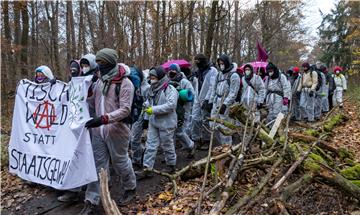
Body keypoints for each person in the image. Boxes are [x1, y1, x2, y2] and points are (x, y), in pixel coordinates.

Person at [80, 48, 136, 214]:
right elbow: (91, 102)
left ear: (110, 62)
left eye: (102, 62)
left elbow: (125, 109)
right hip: (98, 132)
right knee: (98, 165)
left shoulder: (125, 84)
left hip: (117, 130)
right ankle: (92, 199)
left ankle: (130, 187)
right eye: (97, 63)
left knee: (120, 162)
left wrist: (104, 118)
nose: (99, 66)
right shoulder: (99, 81)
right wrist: (88, 91)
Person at [136, 66, 179, 179]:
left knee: (167, 145)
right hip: (154, 121)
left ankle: (171, 165)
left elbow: (171, 105)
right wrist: (146, 108)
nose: (151, 79)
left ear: (160, 77)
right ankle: (147, 168)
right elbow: (149, 101)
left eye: (154, 77)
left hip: (167, 122)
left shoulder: (170, 89)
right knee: (150, 145)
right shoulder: (152, 89)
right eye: (150, 77)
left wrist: (153, 109)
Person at [209, 55, 240, 145]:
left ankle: (227, 147)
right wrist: (211, 101)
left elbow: (233, 93)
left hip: (226, 103)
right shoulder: (219, 74)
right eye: (219, 64)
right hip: (216, 101)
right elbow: (214, 88)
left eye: (222, 63)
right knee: (213, 125)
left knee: (225, 127)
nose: (221, 65)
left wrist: (225, 104)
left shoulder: (234, 75)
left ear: (227, 63)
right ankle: (221, 145)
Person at [168, 63, 195, 158]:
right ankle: (171, 155)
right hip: (172, 111)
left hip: (183, 111)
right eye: (170, 71)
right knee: (171, 133)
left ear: (178, 71)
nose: (171, 72)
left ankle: (191, 146)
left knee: (179, 132)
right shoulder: (169, 82)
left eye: (174, 71)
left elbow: (191, 95)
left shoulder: (185, 82)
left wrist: (181, 94)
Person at [191, 54, 217, 150]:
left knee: (206, 120)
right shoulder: (198, 72)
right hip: (198, 98)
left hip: (207, 99)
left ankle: (207, 140)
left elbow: (212, 86)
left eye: (198, 62)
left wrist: (209, 100)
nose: (197, 64)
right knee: (195, 118)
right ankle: (196, 139)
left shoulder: (212, 71)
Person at [130, 68, 150, 170]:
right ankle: (139, 154)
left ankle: (137, 160)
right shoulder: (132, 85)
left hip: (142, 115)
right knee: (132, 139)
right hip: (133, 114)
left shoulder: (147, 88)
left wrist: (146, 119)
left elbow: (149, 103)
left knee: (135, 139)